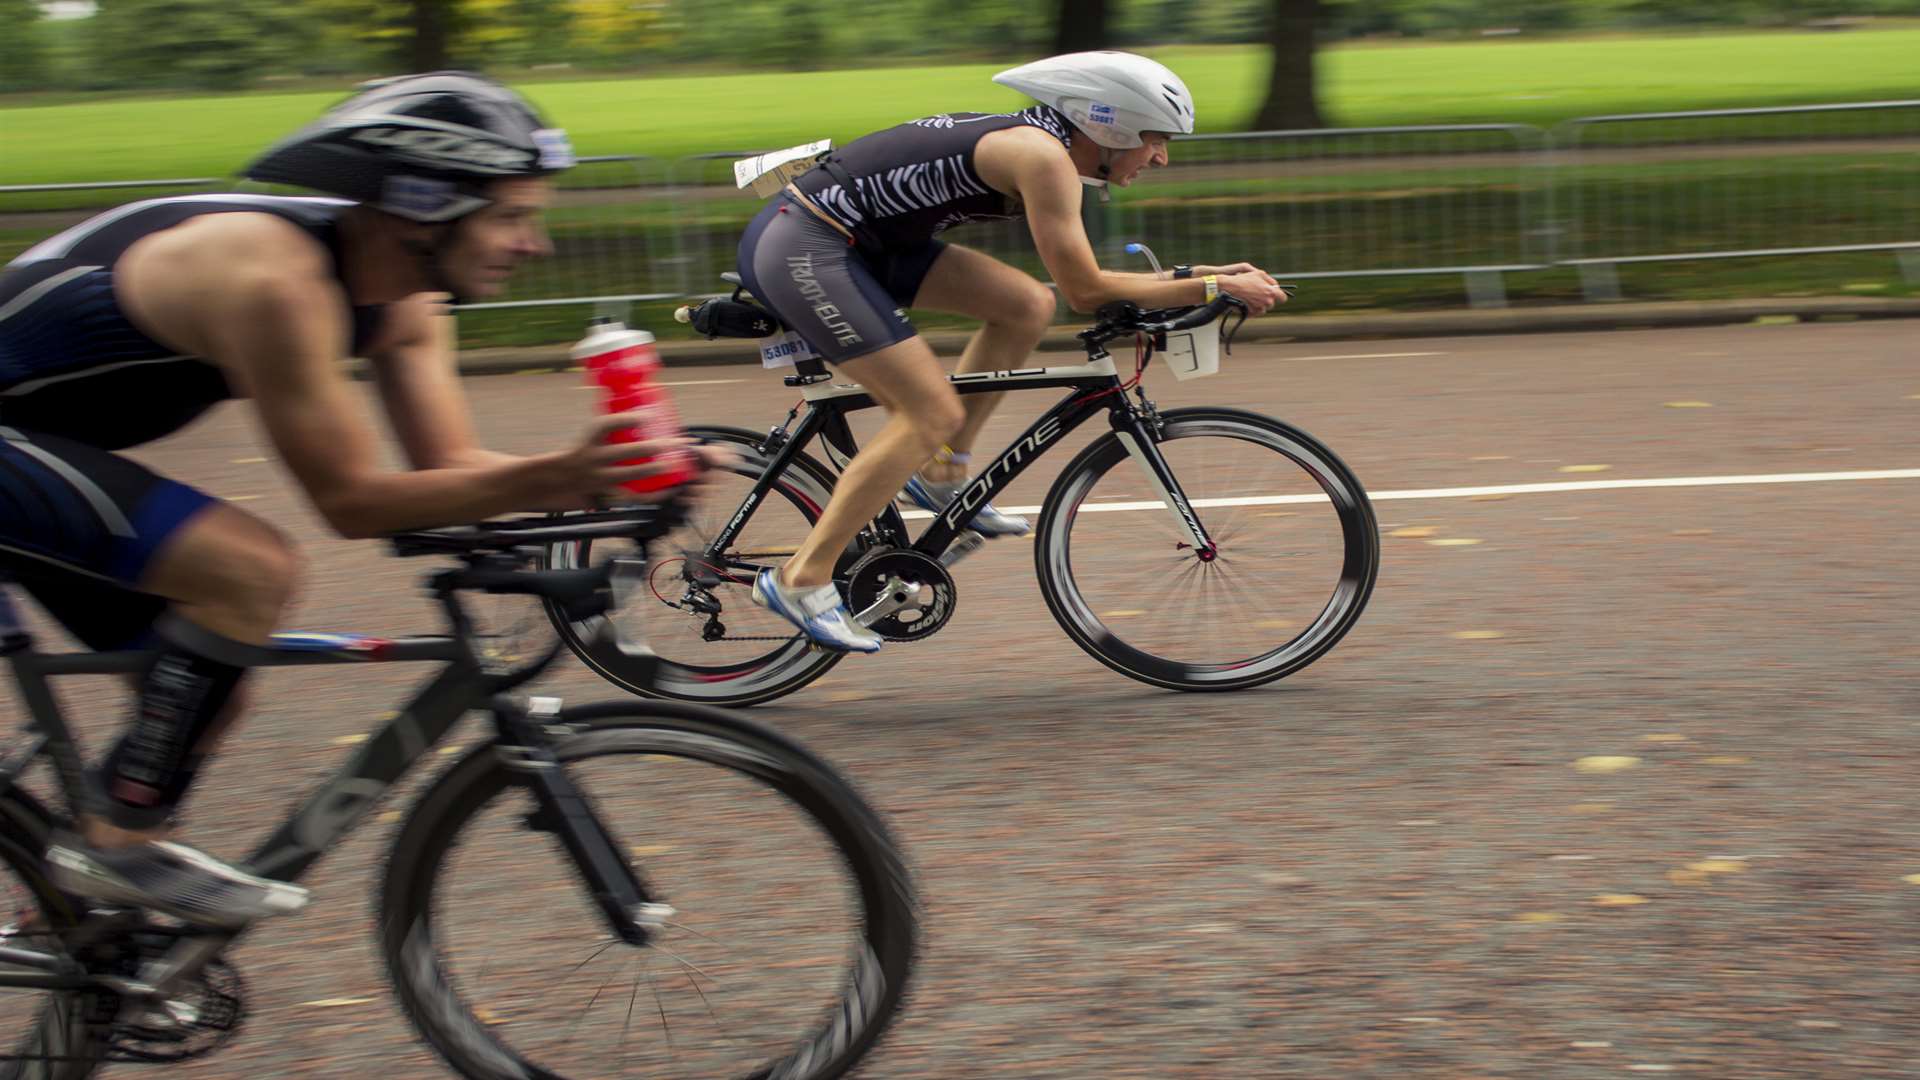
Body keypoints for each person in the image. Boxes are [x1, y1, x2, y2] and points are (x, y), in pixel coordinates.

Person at [1, 72, 711, 927]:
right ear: (422, 208)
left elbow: (445, 468)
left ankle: (82, 947)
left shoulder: (407, 301)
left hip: (40, 446)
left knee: (206, 678)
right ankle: (113, 852)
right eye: (512, 216)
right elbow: (353, 502)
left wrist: (621, 487)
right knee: (247, 572)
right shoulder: (274, 283)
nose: (537, 245)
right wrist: (561, 474)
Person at [736, 51, 1290, 653]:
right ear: (1109, 126)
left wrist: (1198, 274)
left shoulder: (1044, 147)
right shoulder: (1041, 157)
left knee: (1026, 305)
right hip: (808, 243)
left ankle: (941, 474)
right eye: (1154, 139)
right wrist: (1214, 287)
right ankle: (801, 578)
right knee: (929, 413)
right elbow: (1088, 291)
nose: (1161, 156)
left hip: (868, 246)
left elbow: (1077, 283)